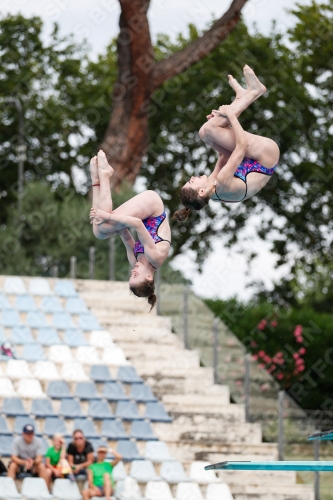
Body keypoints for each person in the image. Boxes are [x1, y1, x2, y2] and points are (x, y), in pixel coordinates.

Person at [173, 65, 280, 221]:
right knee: (211, 128)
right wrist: (230, 116)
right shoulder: (222, 182)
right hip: (266, 156)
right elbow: (242, 146)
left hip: (250, 161)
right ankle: (255, 92)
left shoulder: (211, 190)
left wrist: (219, 130)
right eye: (191, 182)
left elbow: (224, 156)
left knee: (205, 133)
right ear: (201, 191)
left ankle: (241, 97)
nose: (192, 177)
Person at [89, 150, 171, 310]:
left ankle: (96, 181)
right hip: (153, 206)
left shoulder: (136, 261)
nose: (132, 271)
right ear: (148, 277)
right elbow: (137, 224)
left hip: (141, 216)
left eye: (130, 275)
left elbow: (125, 234)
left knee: (98, 232)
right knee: (105, 223)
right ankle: (104, 175)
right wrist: (105, 216)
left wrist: (98, 217)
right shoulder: (154, 258)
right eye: (135, 275)